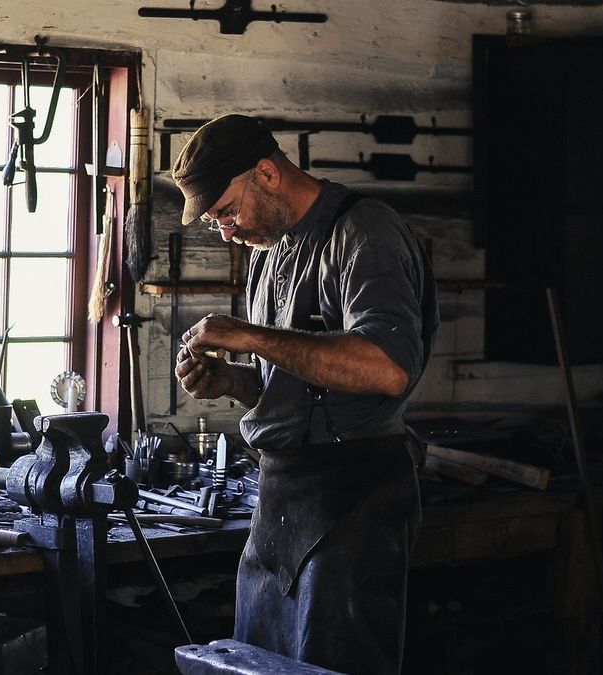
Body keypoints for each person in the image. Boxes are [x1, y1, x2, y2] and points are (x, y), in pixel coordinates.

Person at [171, 114, 439, 674]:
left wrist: (248, 336)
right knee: (256, 666)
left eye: (226, 211)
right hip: (281, 503)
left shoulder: (365, 232)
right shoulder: (272, 255)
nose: (226, 232)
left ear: (266, 173)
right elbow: (298, 389)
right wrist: (234, 383)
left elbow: (388, 368)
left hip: (354, 498)